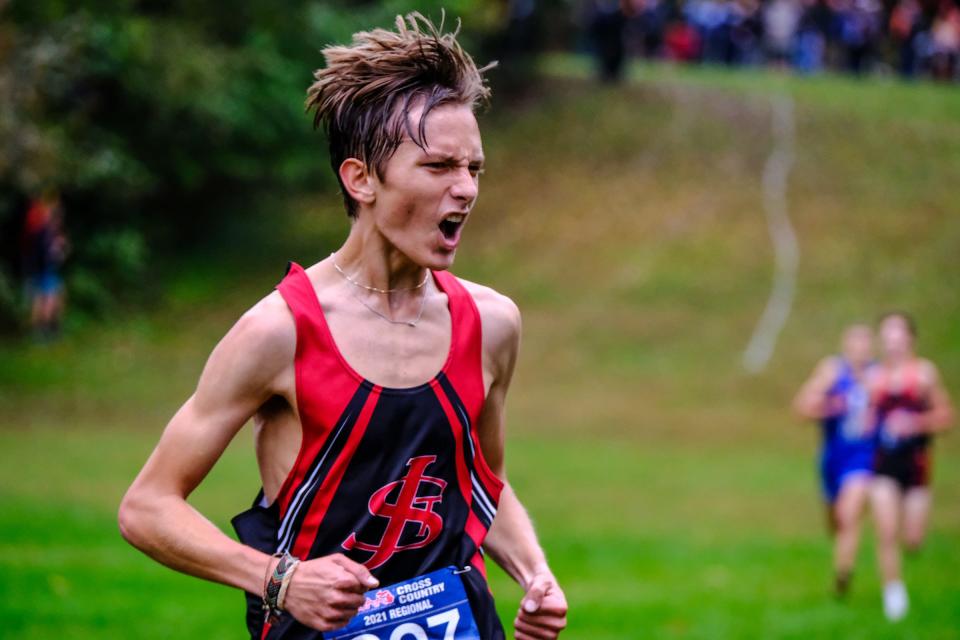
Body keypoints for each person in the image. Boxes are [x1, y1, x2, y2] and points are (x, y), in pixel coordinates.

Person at [118, 14, 568, 640]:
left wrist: (535, 574)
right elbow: (147, 508)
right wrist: (281, 580)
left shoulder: (492, 324)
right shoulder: (279, 331)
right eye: (438, 167)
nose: (465, 189)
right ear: (360, 179)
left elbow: (479, 482)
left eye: (474, 169)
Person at [867, 311, 953, 621]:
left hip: (916, 466)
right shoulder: (873, 378)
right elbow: (863, 422)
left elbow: (946, 417)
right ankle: (893, 593)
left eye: (898, 337)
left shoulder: (924, 375)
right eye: (886, 337)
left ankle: (909, 551)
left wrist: (915, 423)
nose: (892, 344)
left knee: (912, 539)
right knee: (886, 531)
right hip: (883, 466)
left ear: (910, 340)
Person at [793, 324, 876, 597]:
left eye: (865, 343)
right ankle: (842, 554)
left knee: (849, 515)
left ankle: (843, 573)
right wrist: (831, 407)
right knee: (835, 521)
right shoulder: (832, 371)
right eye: (855, 343)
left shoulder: (879, 375)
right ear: (845, 345)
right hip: (832, 457)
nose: (860, 349)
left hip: (864, 458)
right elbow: (802, 408)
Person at [20, 192, 68, 341]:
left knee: (48, 299)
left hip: (36, 268)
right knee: (47, 300)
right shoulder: (44, 229)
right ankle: (44, 333)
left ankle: (46, 331)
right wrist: (60, 250)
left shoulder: (37, 226)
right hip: (44, 268)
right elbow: (51, 253)